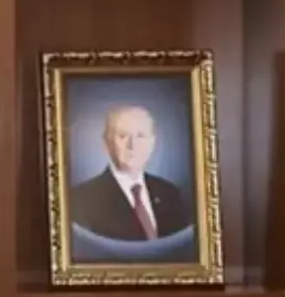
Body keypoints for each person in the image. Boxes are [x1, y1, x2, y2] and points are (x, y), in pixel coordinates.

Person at [68, 104, 193, 244]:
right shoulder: (83, 199)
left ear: (152, 143)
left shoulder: (170, 193)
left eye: (140, 136)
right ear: (107, 143)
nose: (132, 145)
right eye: (123, 136)